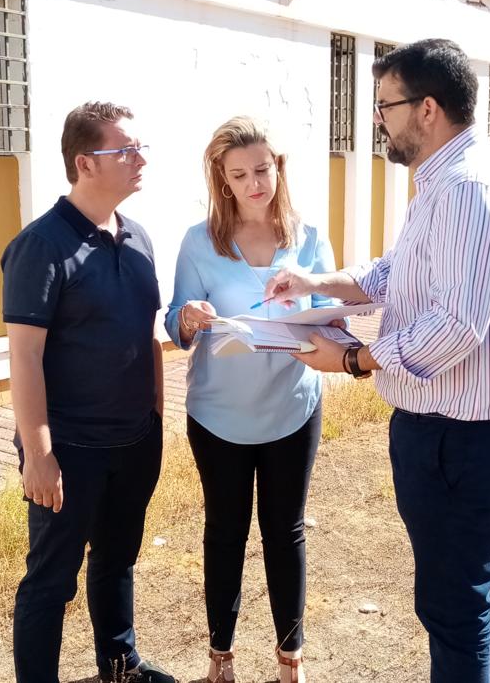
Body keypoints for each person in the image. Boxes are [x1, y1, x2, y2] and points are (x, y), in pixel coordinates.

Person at [263, 39, 490, 683]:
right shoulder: (450, 176)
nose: (377, 121)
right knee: (477, 575)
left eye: (384, 105)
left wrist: (356, 361)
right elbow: (408, 272)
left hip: (465, 434)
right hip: (470, 427)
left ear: (427, 109)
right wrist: (323, 283)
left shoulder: (467, 190)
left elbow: (454, 326)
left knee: (453, 602)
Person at [2, 101, 175, 683]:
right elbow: (24, 354)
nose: (139, 158)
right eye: (123, 149)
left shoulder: (139, 237)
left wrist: (155, 416)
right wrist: (40, 452)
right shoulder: (42, 246)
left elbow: (147, 334)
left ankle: (118, 662)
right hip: (69, 448)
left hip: (134, 439)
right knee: (51, 578)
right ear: (84, 163)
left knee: (117, 559)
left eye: (138, 146)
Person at [166, 116, 338, 683]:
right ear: (223, 180)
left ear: (278, 167)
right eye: (239, 175)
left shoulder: (308, 236)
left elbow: (331, 316)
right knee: (225, 531)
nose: (254, 183)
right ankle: (220, 656)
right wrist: (189, 319)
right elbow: (177, 319)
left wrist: (324, 327)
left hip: (293, 407)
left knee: (285, 532)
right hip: (218, 416)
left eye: (262, 169)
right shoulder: (199, 241)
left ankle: (291, 659)